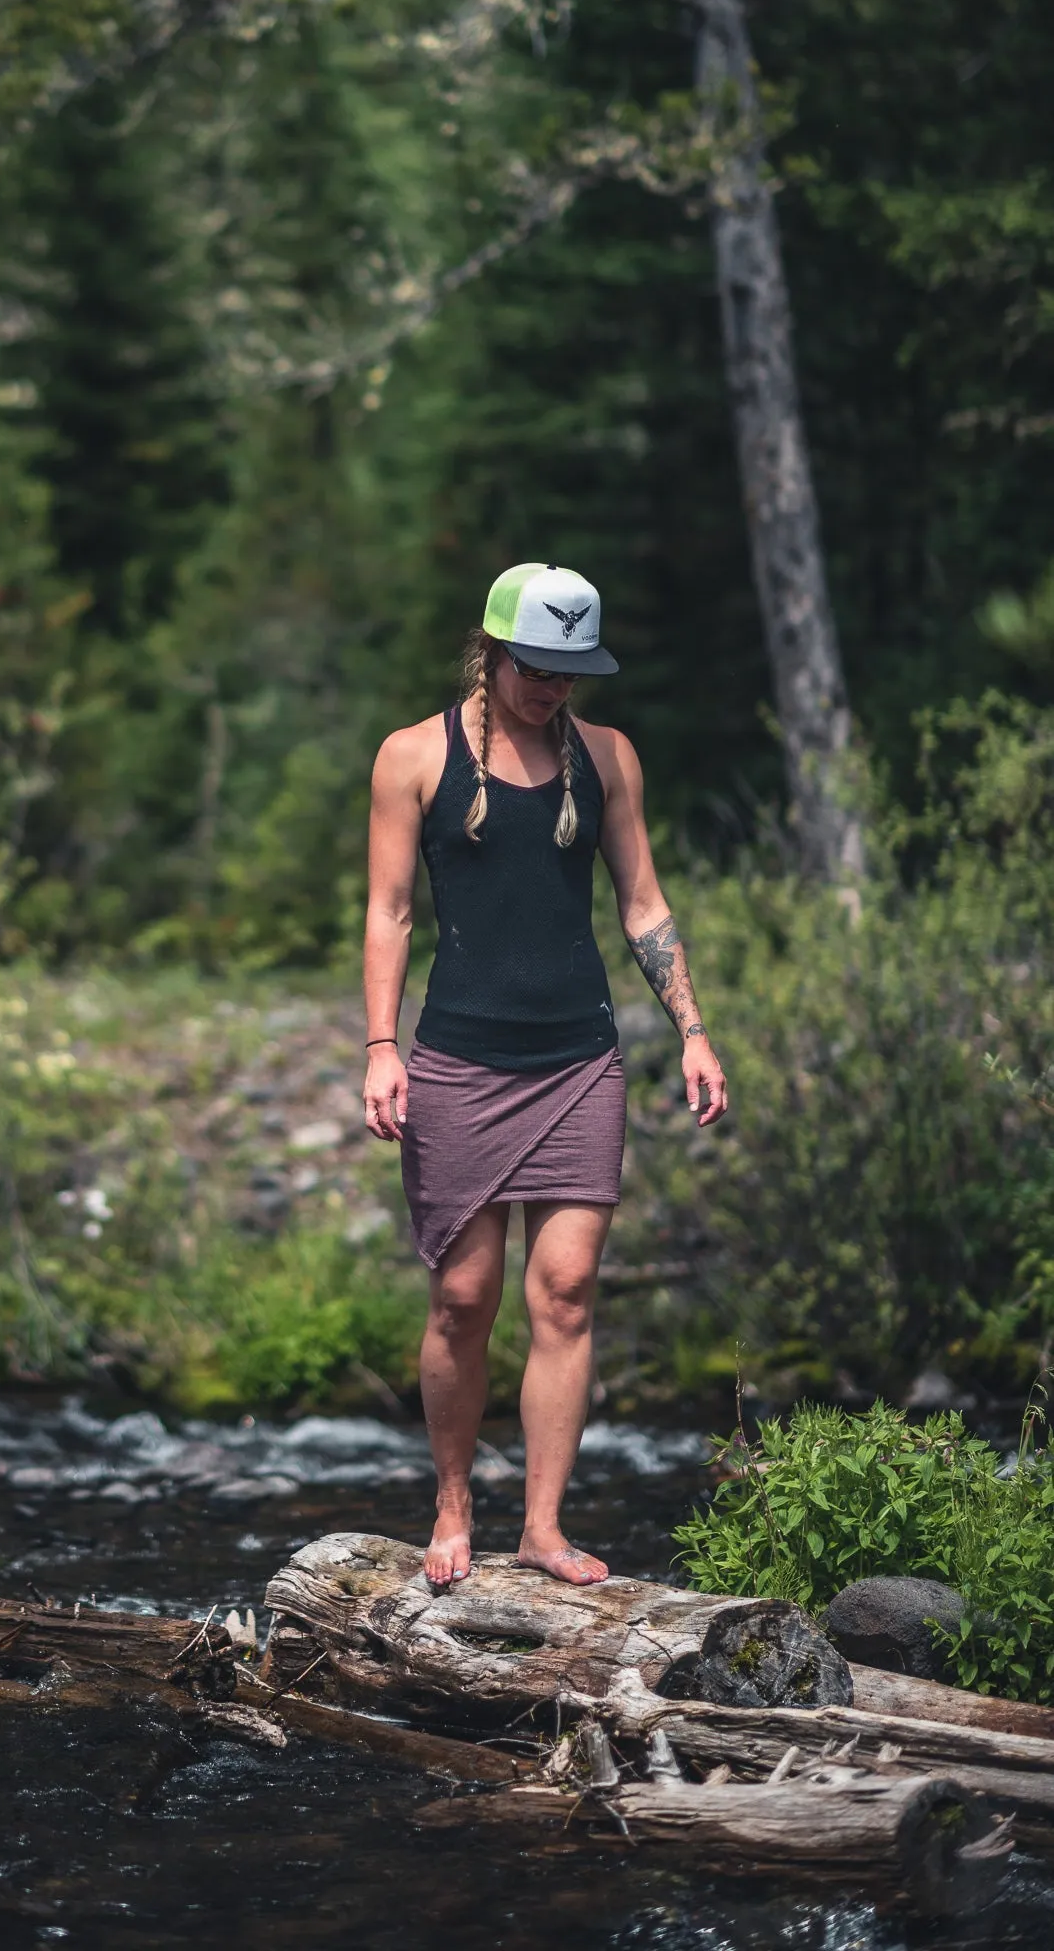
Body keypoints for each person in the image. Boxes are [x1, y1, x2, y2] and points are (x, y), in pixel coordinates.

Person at [362, 563, 726, 1588]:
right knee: (465, 1295)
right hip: (459, 1059)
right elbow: (390, 910)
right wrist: (380, 1045)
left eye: (572, 671)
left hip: (577, 1057)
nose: (553, 688)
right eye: (537, 667)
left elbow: (644, 903)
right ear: (491, 652)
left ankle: (544, 1525)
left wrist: (692, 1027)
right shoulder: (413, 757)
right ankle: (452, 1499)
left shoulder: (606, 758)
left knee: (564, 1292)